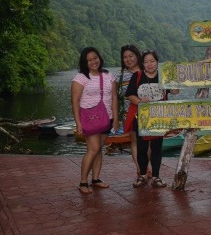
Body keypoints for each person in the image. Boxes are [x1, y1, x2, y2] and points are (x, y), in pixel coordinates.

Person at [125, 50, 179, 188]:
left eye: (152, 61)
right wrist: (140, 101)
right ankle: (142, 175)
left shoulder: (163, 76)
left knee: (156, 148)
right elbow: (130, 94)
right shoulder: (137, 76)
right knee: (142, 148)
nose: (149, 64)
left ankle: (156, 176)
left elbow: (174, 91)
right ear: (142, 64)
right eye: (146, 62)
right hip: (142, 117)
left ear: (157, 62)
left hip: (159, 117)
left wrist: (173, 81)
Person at [71, 47, 118, 195]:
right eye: (89, 60)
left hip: (107, 118)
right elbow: (75, 100)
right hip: (89, 119)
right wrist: (78, 123)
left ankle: (96, 179)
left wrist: (115, 119)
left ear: (99, 58)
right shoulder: (80, 78)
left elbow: (114, 98)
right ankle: (83, 181)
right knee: (93, 149)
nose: (93, 61)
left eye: (95, 58)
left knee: (99, 149)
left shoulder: (109, 75)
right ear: (84, 62)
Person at [111, 45, 152, 177]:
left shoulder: (147, 70)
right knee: (134, 140)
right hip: (128, 113)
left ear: (137, 56)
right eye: (125, 57)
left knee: (149, 140)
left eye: (131, 56)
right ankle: (140, 169)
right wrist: (115, 119)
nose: (128, 59)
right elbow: (114, 97)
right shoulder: (119, 75)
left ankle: (145, 166)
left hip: (148, 111)